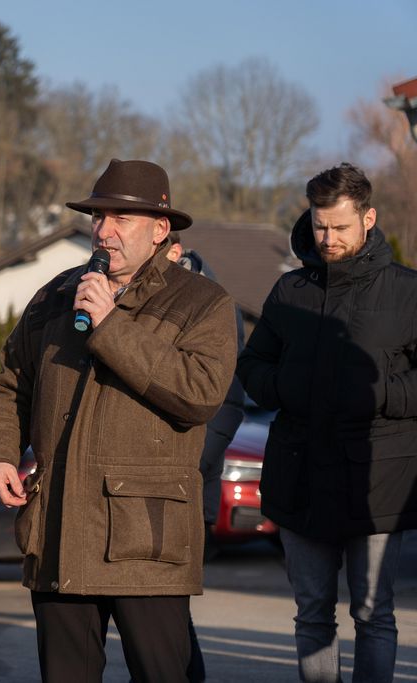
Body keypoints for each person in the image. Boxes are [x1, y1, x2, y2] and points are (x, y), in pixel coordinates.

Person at [0, 158, 238, 683]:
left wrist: (110, 325)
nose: (104, 230)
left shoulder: (203, 302)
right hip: (59, 532)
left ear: (160, 230)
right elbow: (9, 385)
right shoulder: (55, 296)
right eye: (99, 217)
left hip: (146, 542)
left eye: (121, 219)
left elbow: (200, 394)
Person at [237, 163, 417, 683]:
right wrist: (290, 389)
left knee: (373, 613)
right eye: (320, 226)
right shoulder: (289, 291)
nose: (328, 237)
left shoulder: (407, 292)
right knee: (312, 613)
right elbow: (252, 365)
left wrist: (375, 394)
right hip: (300, 471)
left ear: (368, 219)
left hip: (377, 477)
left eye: (340, 227)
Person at [165, 233, 246, 682]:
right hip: (146, 487)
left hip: (188, 489)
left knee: (172, 613)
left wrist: (188, 463)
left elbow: (226, 403)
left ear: (174, 251)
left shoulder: (212, 306)